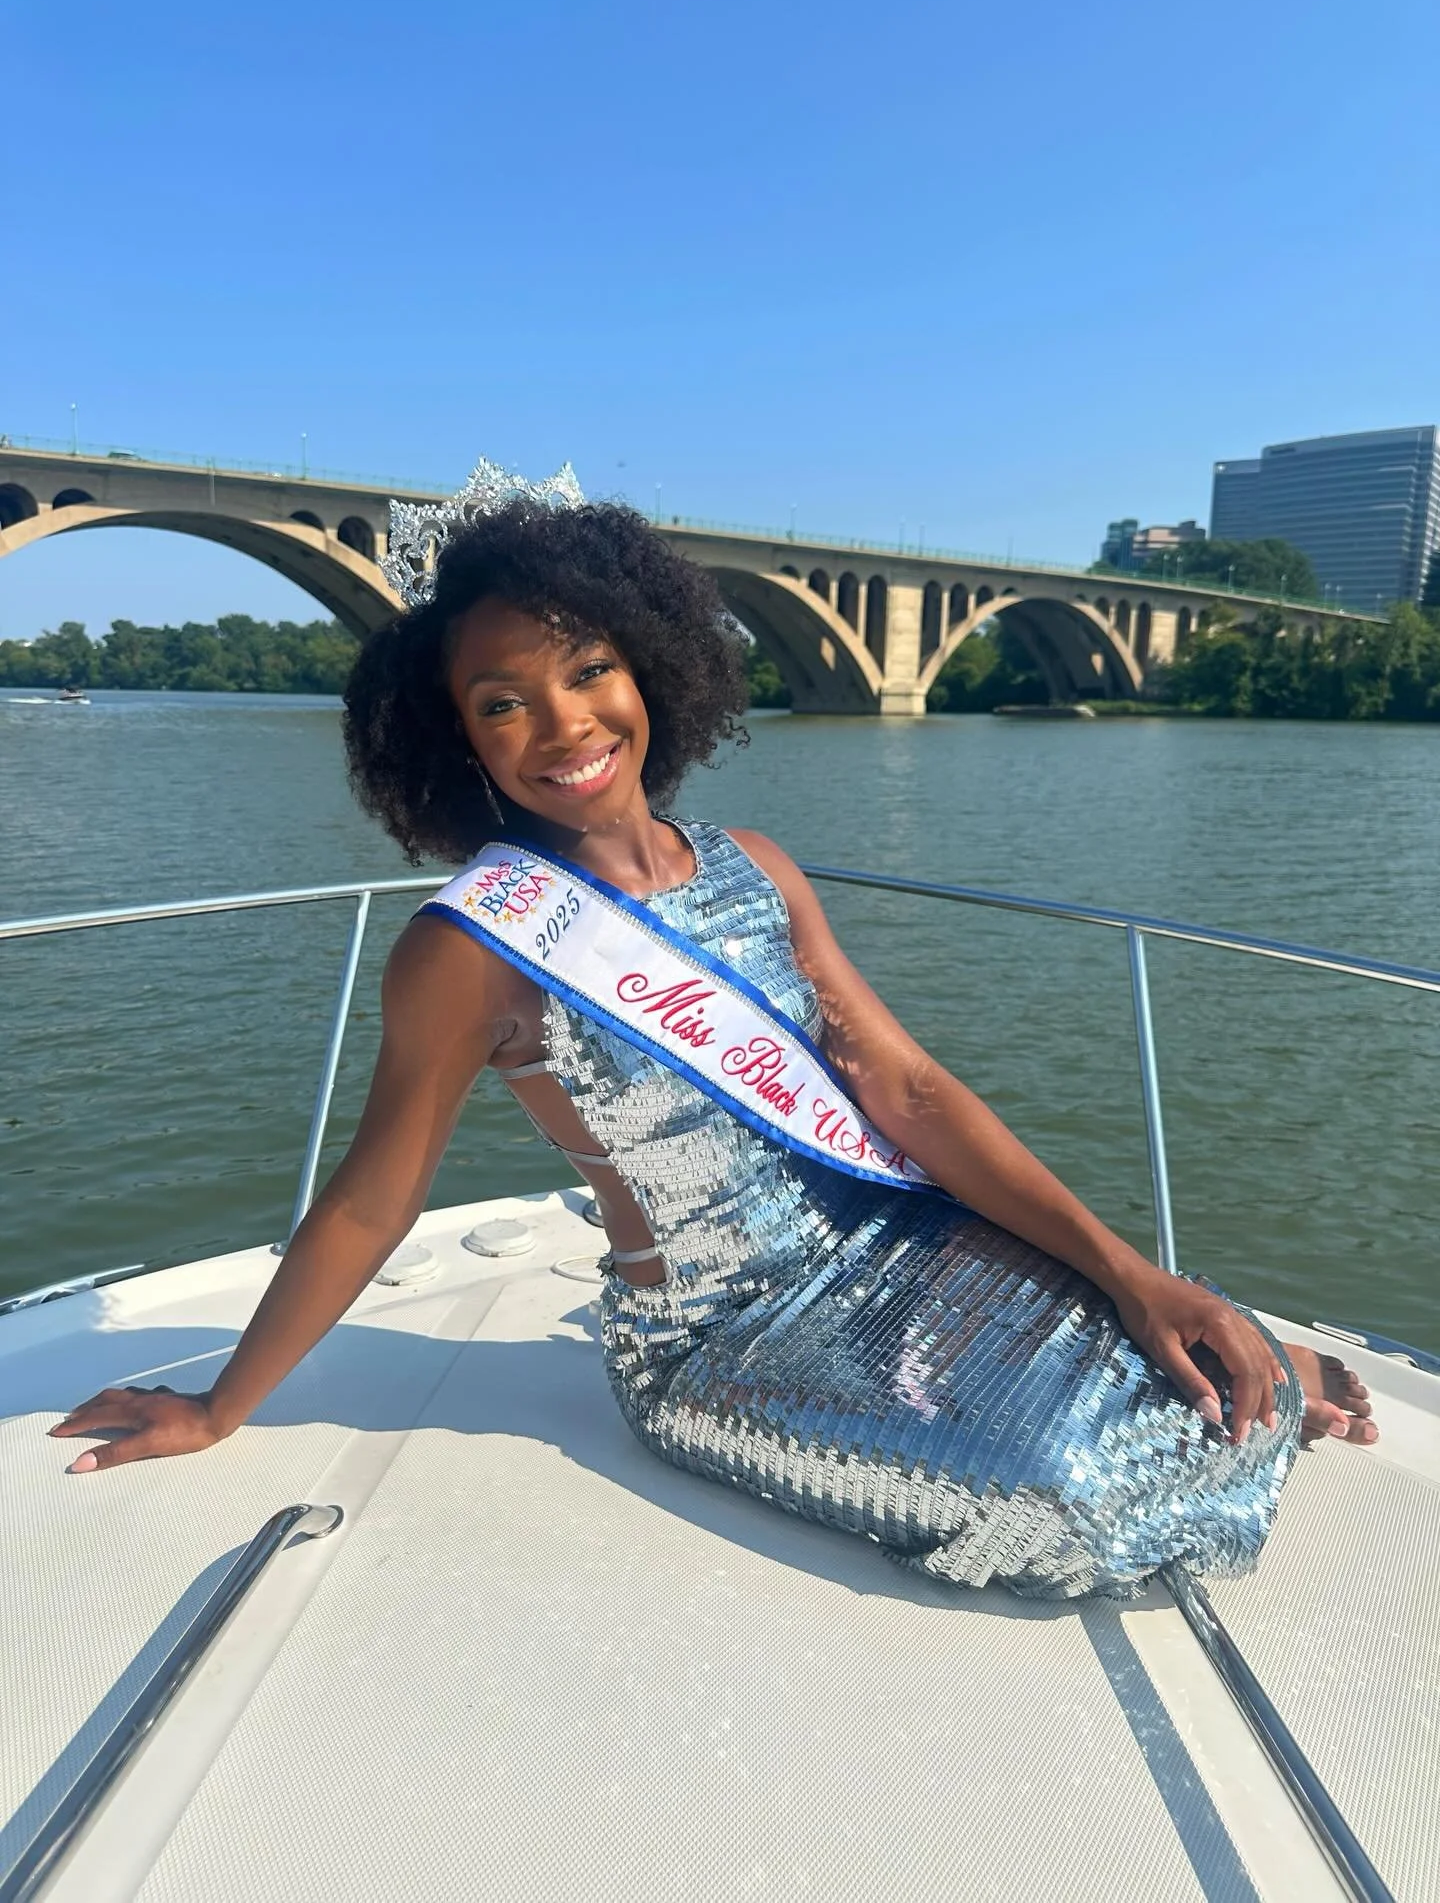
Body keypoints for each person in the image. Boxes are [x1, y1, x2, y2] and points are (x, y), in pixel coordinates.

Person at [51, 490, 1376, 1599]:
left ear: (648, 666)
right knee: (1067, 1498)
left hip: (883, 1239)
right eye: (502, 702)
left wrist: (1135, 1275)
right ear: (458, 736)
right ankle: (1259, 1402)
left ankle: (1251, 1357)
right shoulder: (472, 948)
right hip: (719, 1343)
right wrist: (224, 1404)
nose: (564, 723)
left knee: (1154, 1334)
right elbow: (369, 1199)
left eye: (587, 671)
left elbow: (908, 1090)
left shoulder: (758, 869)